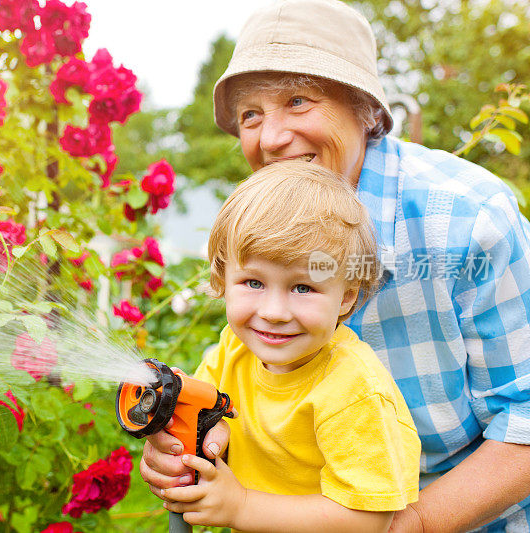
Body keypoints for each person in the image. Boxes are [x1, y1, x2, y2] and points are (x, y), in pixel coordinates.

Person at [140, 0, 530, 531]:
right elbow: (252, 392)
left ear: (366, 111)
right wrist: (197, 445)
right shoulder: (266, 224)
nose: (271, 138)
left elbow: (525, 419)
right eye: (250, 115)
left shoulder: (468, 220)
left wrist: (409, 525)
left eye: (298, 101)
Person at [160, 160, 420, 532]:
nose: (275, 312)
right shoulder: (234, 348)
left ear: (346, 297)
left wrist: (241, 507)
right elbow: (208, 416)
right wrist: (196, 438)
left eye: (303, 288)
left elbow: (369, 520)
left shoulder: (352, 388)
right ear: (222, 277)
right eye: (253, 282)